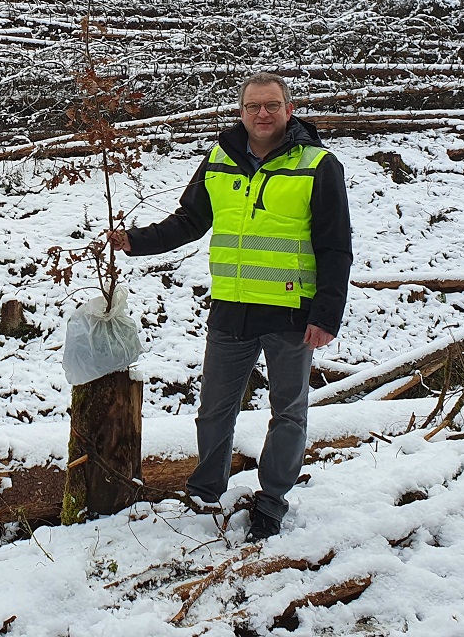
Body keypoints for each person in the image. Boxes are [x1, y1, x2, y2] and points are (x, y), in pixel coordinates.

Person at [109, 72, 352, 541]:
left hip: (291, 315)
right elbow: (190, 220)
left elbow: (335, 246)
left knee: (288, 413)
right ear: (241, 112)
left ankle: (272, 499)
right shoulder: (220, 158)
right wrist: (135, 241)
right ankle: (205, 493)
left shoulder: (318, 164)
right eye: (253, 106)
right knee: (215, 410)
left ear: (289, 109)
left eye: (272, 106)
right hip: (231, 310)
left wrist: (326, 314)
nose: (262, 114)